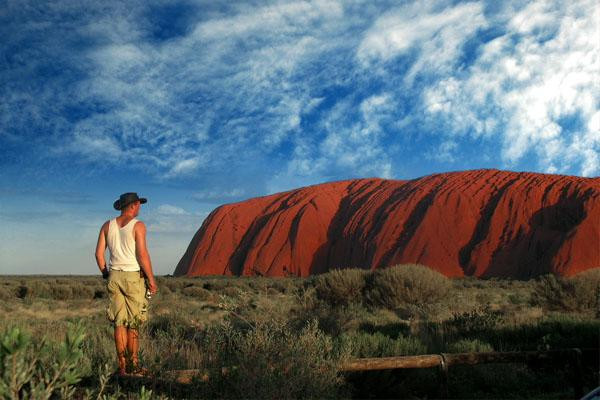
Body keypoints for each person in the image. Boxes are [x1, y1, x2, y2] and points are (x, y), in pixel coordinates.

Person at [95, 192, 158, 376]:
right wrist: (152, 280)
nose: (140, 208)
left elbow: (99, 255)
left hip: (114, 276)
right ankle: (134, 366)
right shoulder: (138, 226)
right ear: (133, 205)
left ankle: (122, 367)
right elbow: (142, 255)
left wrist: (106, 273)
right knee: (134, 323)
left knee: (119, 323)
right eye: (139, 204)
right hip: (133, 278)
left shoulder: (107, 226)